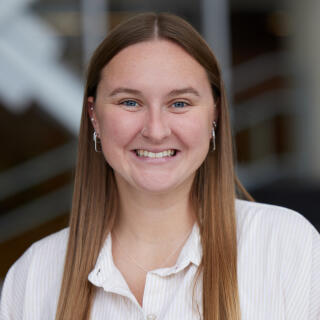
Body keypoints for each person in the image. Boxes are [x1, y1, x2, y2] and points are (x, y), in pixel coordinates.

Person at [1, 12, 319, 320]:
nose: (155, 130)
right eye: (130, 102)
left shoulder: (286, 247)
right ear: (94, 116)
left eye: (179, 103)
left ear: (215, 115)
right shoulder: (34, 275)